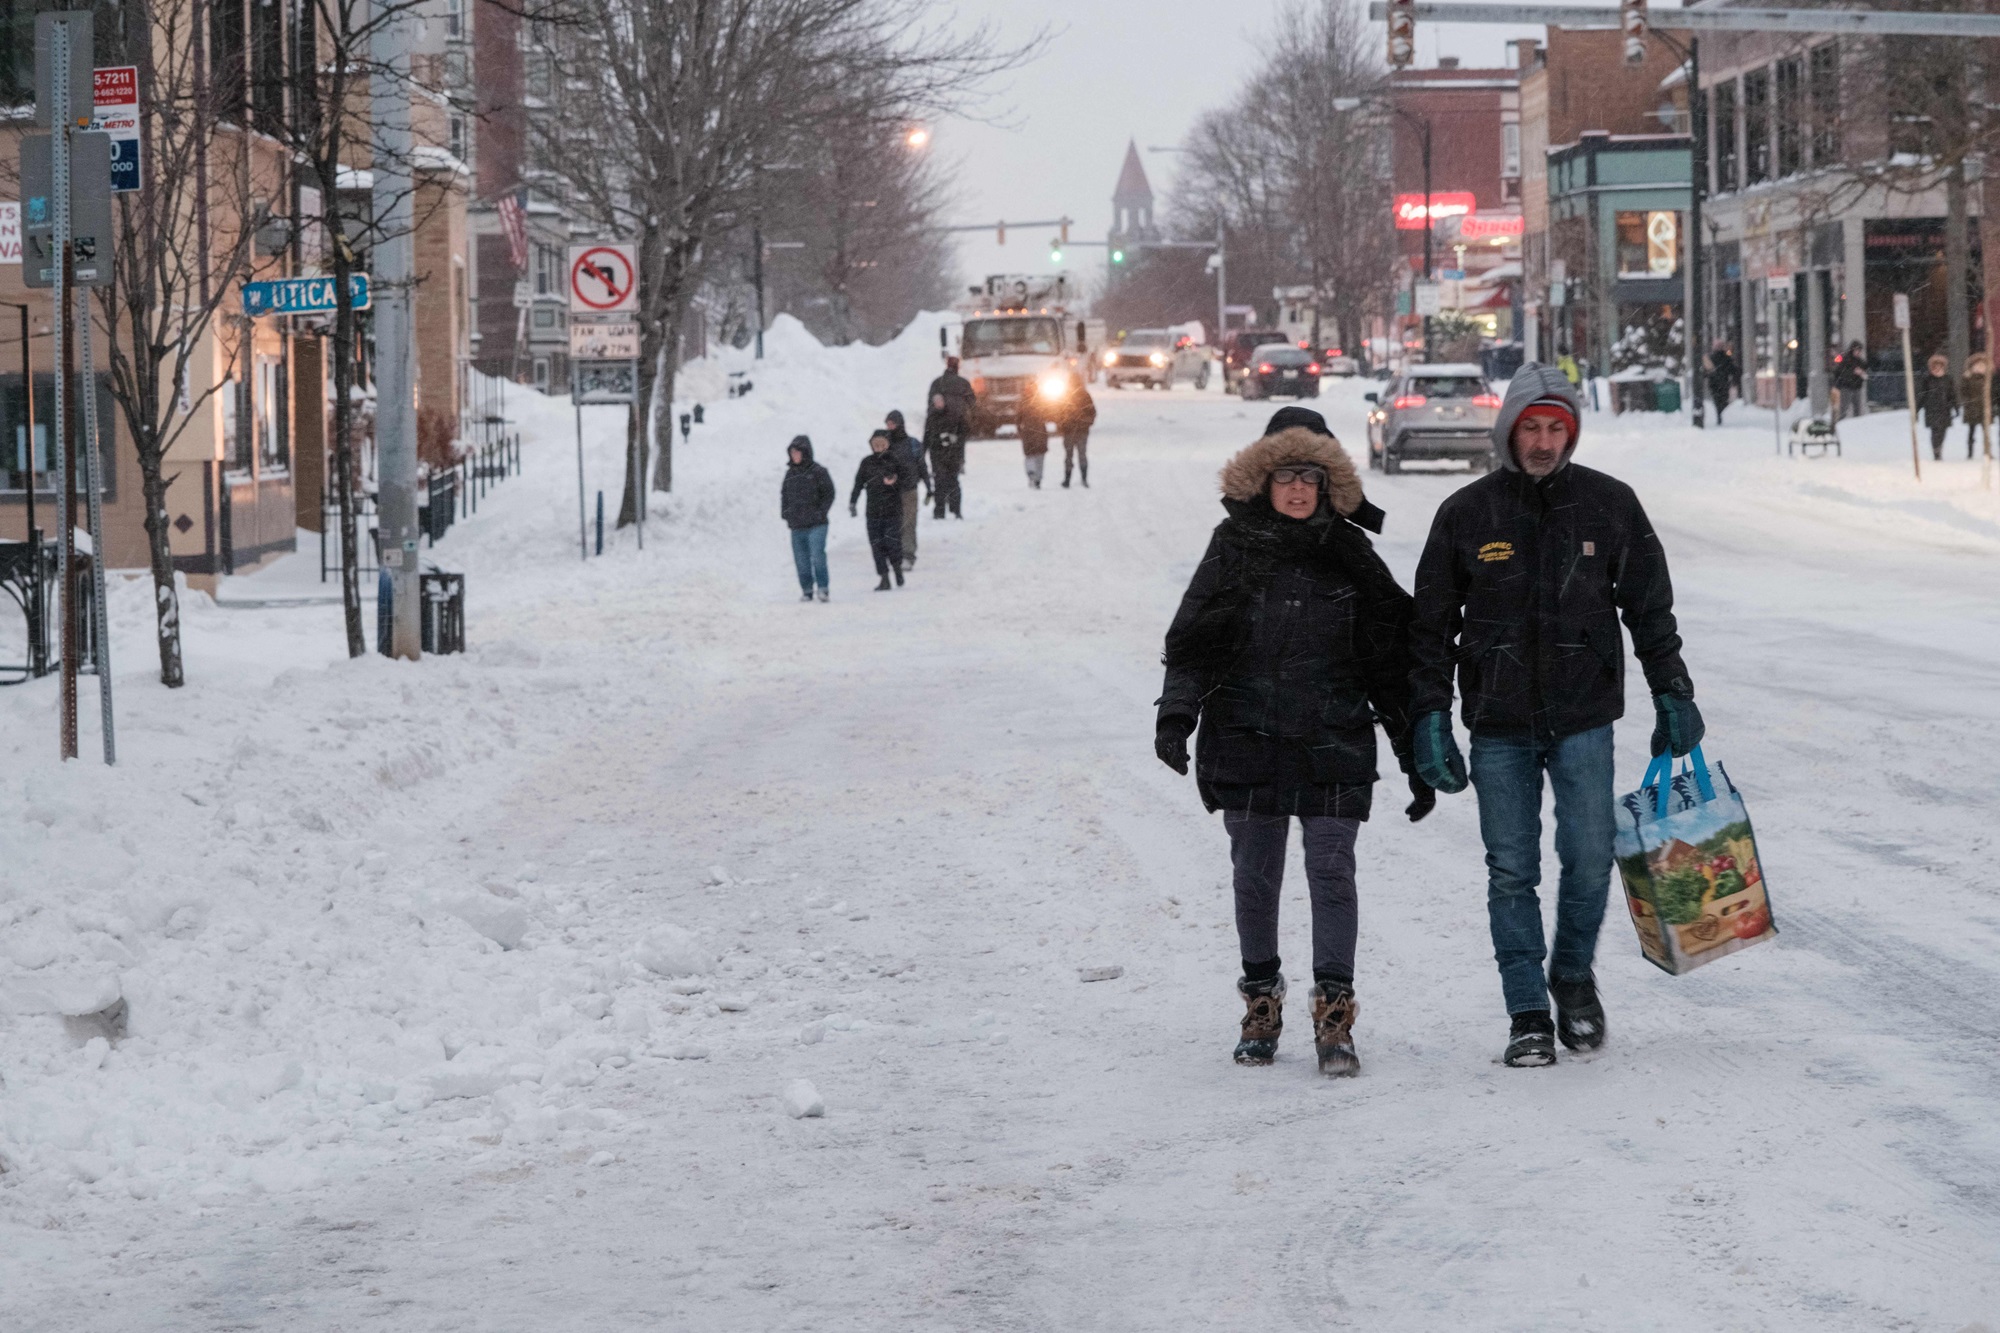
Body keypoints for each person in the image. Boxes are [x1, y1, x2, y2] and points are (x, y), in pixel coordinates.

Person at [1408, 363, 1701, 1069]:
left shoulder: (1609, 505)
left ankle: (1571, 976)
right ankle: (1527, 1012)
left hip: (1583, 716)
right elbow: (1429, 627)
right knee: (1511, 869)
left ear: (1570, 432)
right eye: (1531, 427)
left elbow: (1649, 609)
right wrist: (1428, 716)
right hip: (1499, 721)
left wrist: (1673, 690)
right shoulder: (1466, 513)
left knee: (1591, 857)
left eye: (1555, 429)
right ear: (1510, 429)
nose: (1543, 442)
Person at [1156, 405, 1432, 1077]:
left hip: (1333, 738)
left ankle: (1334, 1013)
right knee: (1255, 874)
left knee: (1332, 871)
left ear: (1329, 482)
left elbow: (1389, 665)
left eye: (1311, 475)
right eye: (1286, 474)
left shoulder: (1352, 557)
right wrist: (1176, 714)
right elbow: (1193, 640)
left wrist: (1414, 753)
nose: (1299, 488)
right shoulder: (1233, 547)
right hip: (1246, 734)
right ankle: (1261, 1003)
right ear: (1264, 480)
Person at [848, 429, 906, 590]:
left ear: (888, 445)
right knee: (876, 546)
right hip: (873, 511)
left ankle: (897, 568)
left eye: (882, 444)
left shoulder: (895, 460)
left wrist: (894, 481)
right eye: (875, 445)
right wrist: (853, 502)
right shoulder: (866, 462)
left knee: (892, 543)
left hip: (892, 511)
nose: (879, 447)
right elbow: (858, 483)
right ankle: (884, 578)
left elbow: (906, 481)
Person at [780, 435, 834, 602]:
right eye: (792, 453)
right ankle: (807, 589)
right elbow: (784, 496)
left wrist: (821, 512)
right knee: (801, 560)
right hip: (797, 525)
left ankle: (823, 588)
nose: (795, 456)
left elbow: (829, 494)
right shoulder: (790, 474)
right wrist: (786, 513)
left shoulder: (819, 472)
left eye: (798, 452)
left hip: (817, 524)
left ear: (806, 452)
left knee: (817, 556)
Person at [924, 356, 976, 520]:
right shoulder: (963, 384)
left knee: (939, 478)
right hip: (955, 441)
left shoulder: (937, 384)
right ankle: (955, 510)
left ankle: (939, 511)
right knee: (953, 478)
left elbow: (929, 421)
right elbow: (973, 405)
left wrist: (923, 448)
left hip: (937, 444)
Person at [883, 410, 930, 568]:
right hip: (890, 492)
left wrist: (929, 487)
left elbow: (922, 466)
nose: (890, 427)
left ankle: (908, 555)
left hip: (909, 489)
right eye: (888, 424)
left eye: (892, 424)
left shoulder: (913, 444)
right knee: (892, 524)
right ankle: (895, 554)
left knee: (908, 523)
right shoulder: (884, 445)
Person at [1059, 369, 1097, 488]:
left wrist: (1062, 424)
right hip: (1080, 430)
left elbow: (1058, 413)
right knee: (1081, 455)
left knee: (1069, 456)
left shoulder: (1066, 396)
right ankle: (1083, 478)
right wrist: (1086, 423)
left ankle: (1067, 479)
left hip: (1070, 430)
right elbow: (1092, 413)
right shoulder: (1084, 395)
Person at [1918, 352, 1958, 462]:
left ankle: (1939, 447)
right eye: (1935, 367)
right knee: (1935, 431)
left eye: (1940, 367)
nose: (1937, 369)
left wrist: (1956, 407)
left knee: (1943, 431)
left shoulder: (1948, 379)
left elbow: (1952, 394)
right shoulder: (1927, 379)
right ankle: (1936, 451)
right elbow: (1922, 394)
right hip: (1932, 409)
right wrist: (1917, 409)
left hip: (1945, 409)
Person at [1962, 353, 1992, 458]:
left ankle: (1988, 452)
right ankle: (1970, 453)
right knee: (1971, 431)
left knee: (1986, 432)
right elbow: (1963, 392)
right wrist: (1968, 403)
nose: (1980, 367)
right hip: (1972, 409)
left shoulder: (1989, 378)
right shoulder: (1968, 378)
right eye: (1977, 365)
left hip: (1985, 409)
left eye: (1982, 365)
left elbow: (1993, 392)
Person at [1832, 342, 1867, 420]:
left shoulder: (1861, 361)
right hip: (1846, 387)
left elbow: (1865, 370)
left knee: (1857, 408)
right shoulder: (1845, 360)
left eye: (1859, 350)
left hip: (1857, 387)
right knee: (1844, 408)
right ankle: (1841, 423)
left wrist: (1862, 374)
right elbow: (1840, 372)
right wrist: (1853, 372)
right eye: (1857, 350)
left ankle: (1856, 423)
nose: (1858, 352)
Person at [1707, 344, 1738, 425]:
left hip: (1713, 383)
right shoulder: (1726, 358)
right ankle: (1721, 410)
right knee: (1724, 399)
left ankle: (1719, 412)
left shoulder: (1711, 358)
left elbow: (1707, 371)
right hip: (1724, 382)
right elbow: (1733, 369)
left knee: (1716, 399)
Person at [1018, 407, 1049, 488]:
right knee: (1036, 457)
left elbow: (1018, 420)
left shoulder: (1024, 404)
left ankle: (1034, 477)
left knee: (1033, 457)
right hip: (1036, 434)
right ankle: (1035, 477)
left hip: (1032, 434)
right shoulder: (1040, 403)